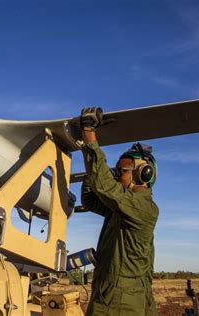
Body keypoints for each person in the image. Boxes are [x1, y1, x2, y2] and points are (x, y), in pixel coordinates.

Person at [79, 107, 159, 316]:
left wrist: (88, 133)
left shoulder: (143, 209)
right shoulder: (122, 210)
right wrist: (94, 171)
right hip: (114, 297)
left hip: (121, 304)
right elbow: (89, 200)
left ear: (143, 174)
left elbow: (104, 185)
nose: (115, 176)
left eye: (120, 171)